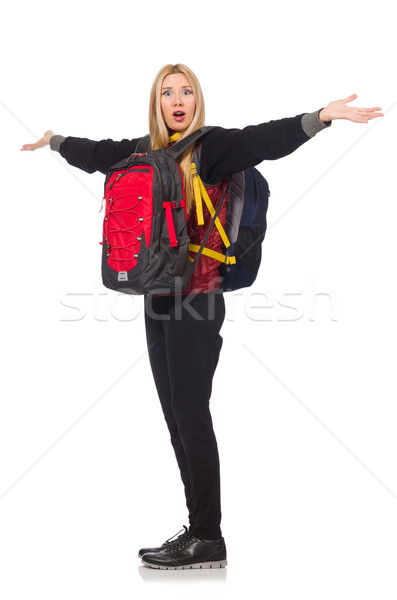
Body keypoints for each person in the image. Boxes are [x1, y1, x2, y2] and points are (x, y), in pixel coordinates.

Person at [21, 64, 383, 570]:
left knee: (192, 413)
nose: (177, 99)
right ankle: (199, 530)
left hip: (199, 298)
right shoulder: (141, 151)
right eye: (167, 92)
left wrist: (319, 117)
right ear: (156, 102)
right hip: (156, 297)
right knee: (175, 417)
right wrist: (54, 141)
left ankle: (209, 536)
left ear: (197, 100)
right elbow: (94, 153)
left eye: (186, 91)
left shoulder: (210, 148)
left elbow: (264, 140)